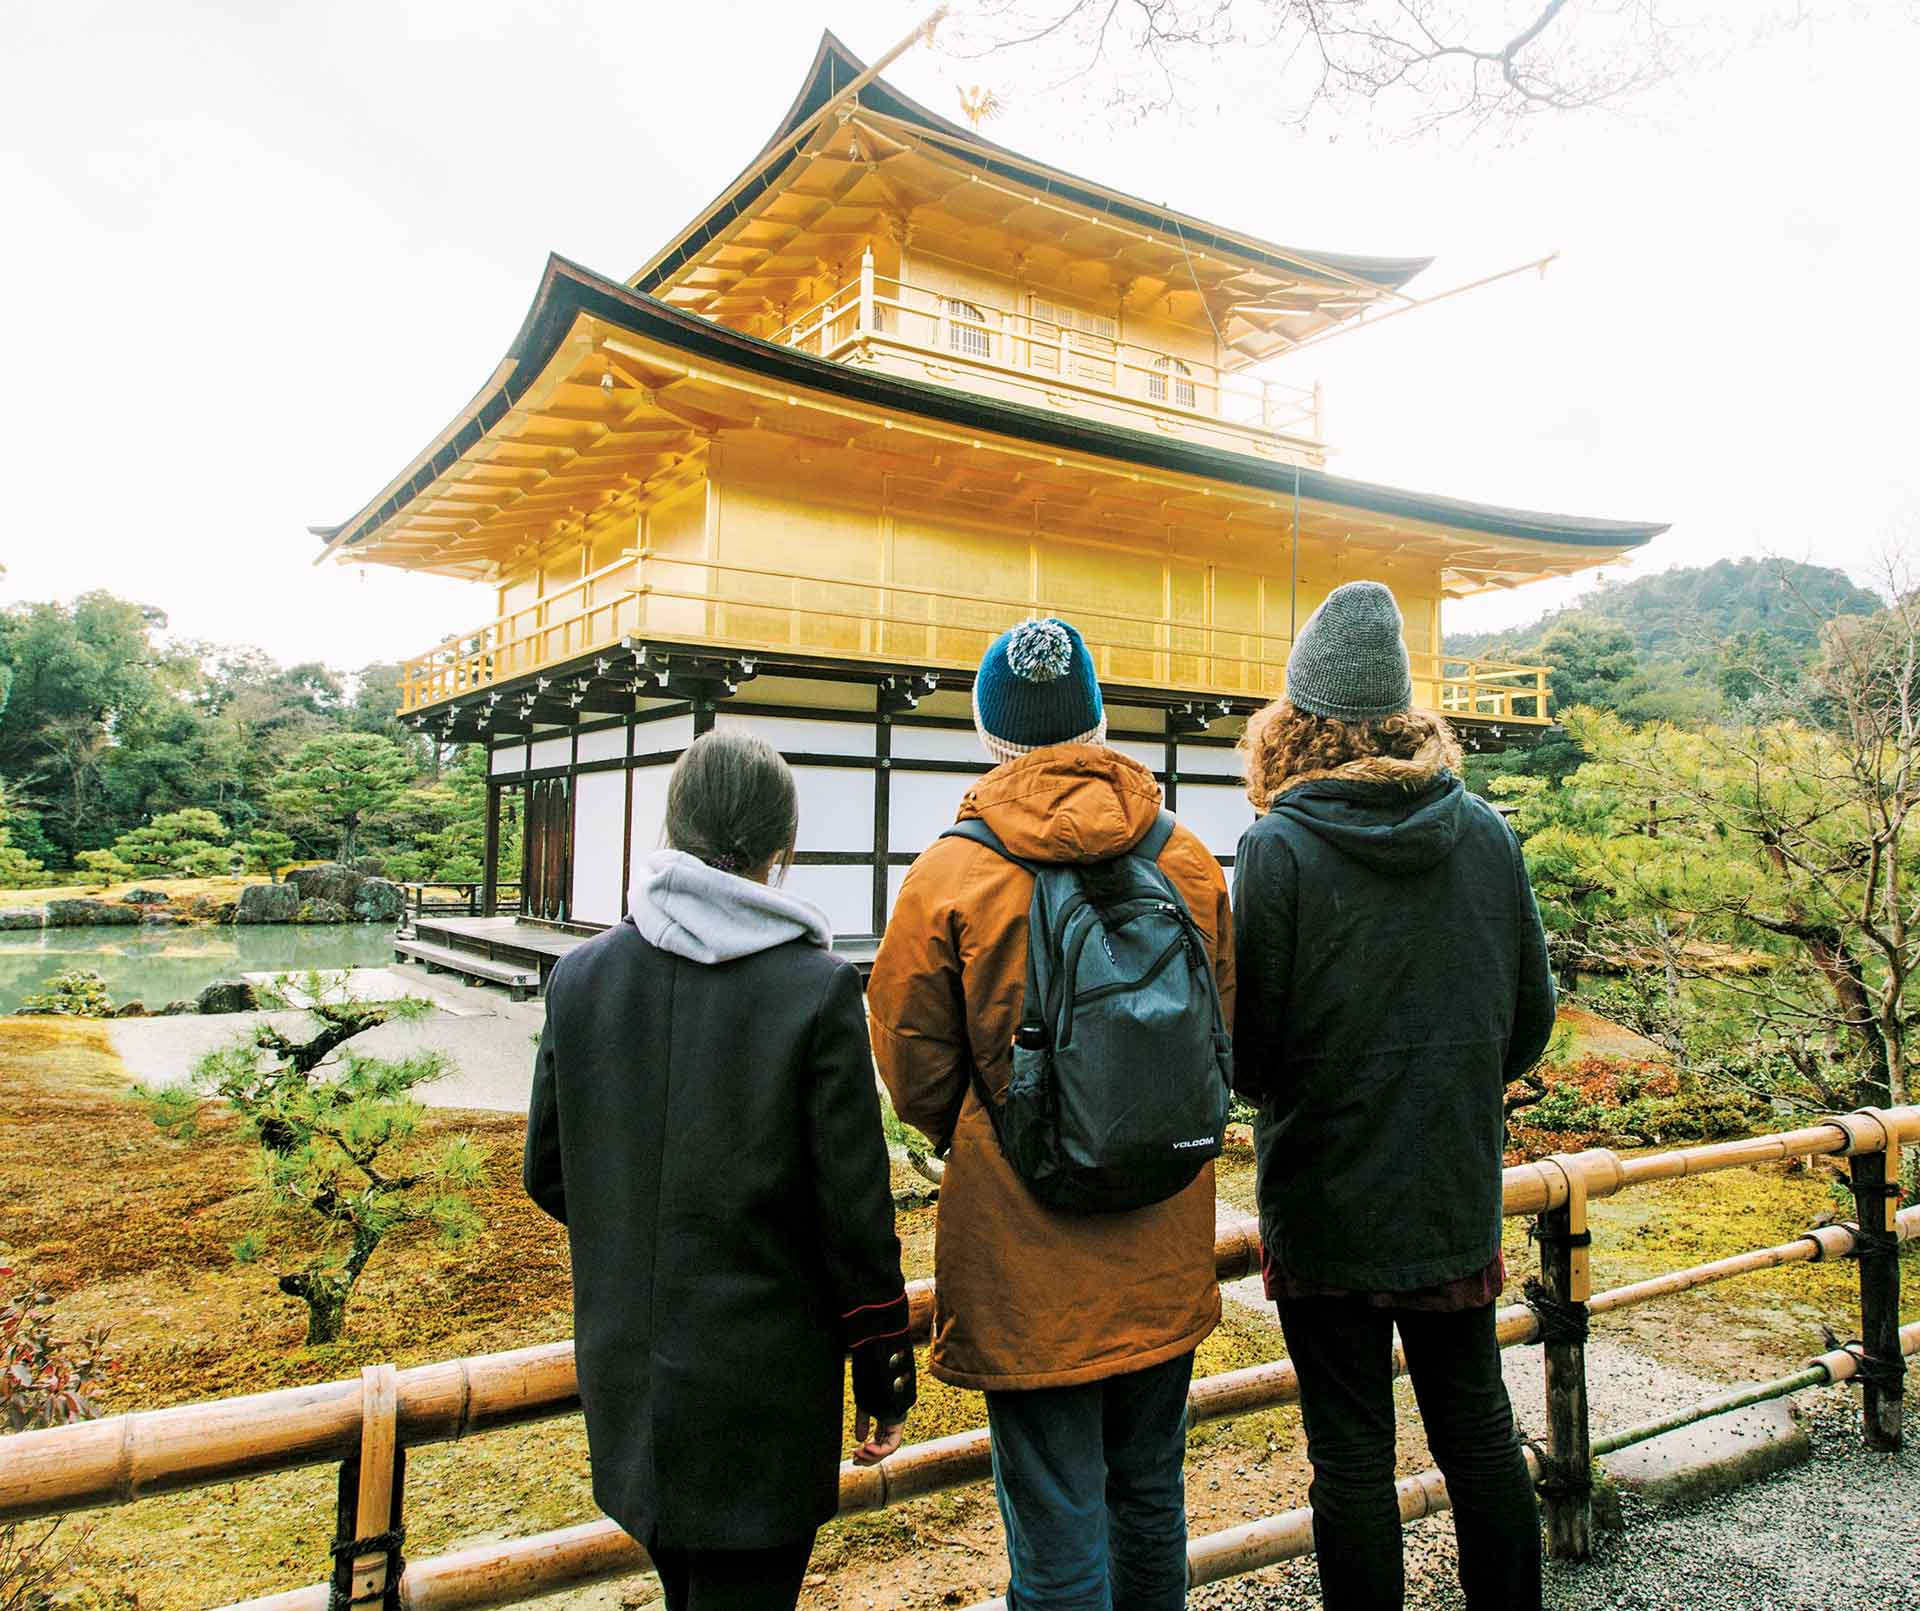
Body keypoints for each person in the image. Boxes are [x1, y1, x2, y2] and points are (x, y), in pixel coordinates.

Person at [869, 616, 1235, 1611]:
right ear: (1099, 724)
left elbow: (912, 1063)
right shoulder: (1186, 857)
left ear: (990, 736)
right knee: (1151, 1499)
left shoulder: (950, 874)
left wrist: (987, 1135)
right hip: (1162, 1233)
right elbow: (1219, 1034)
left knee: (1056, 1528)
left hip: (1022, 1251)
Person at [524, 729, 915, 1611]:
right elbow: (855, 1217)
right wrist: (884, 1369)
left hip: (631, 1383)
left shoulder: (580, 977)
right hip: (765, 1389)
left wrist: (644, 1234)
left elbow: (549, 1169)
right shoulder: (817, 988)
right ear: (782, 847)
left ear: (672, 826)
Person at [1230, 580, 1556, 1611]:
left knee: (1353, 1458)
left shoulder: (1277, 848)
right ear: (1404, 711)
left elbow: (1248, 1052)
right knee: (1480, 1435)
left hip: (1325, 1200)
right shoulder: (1486, 834)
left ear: (1296, 718)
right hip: (1450, 1191)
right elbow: (1531, 1020)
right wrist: (1449, 1085)